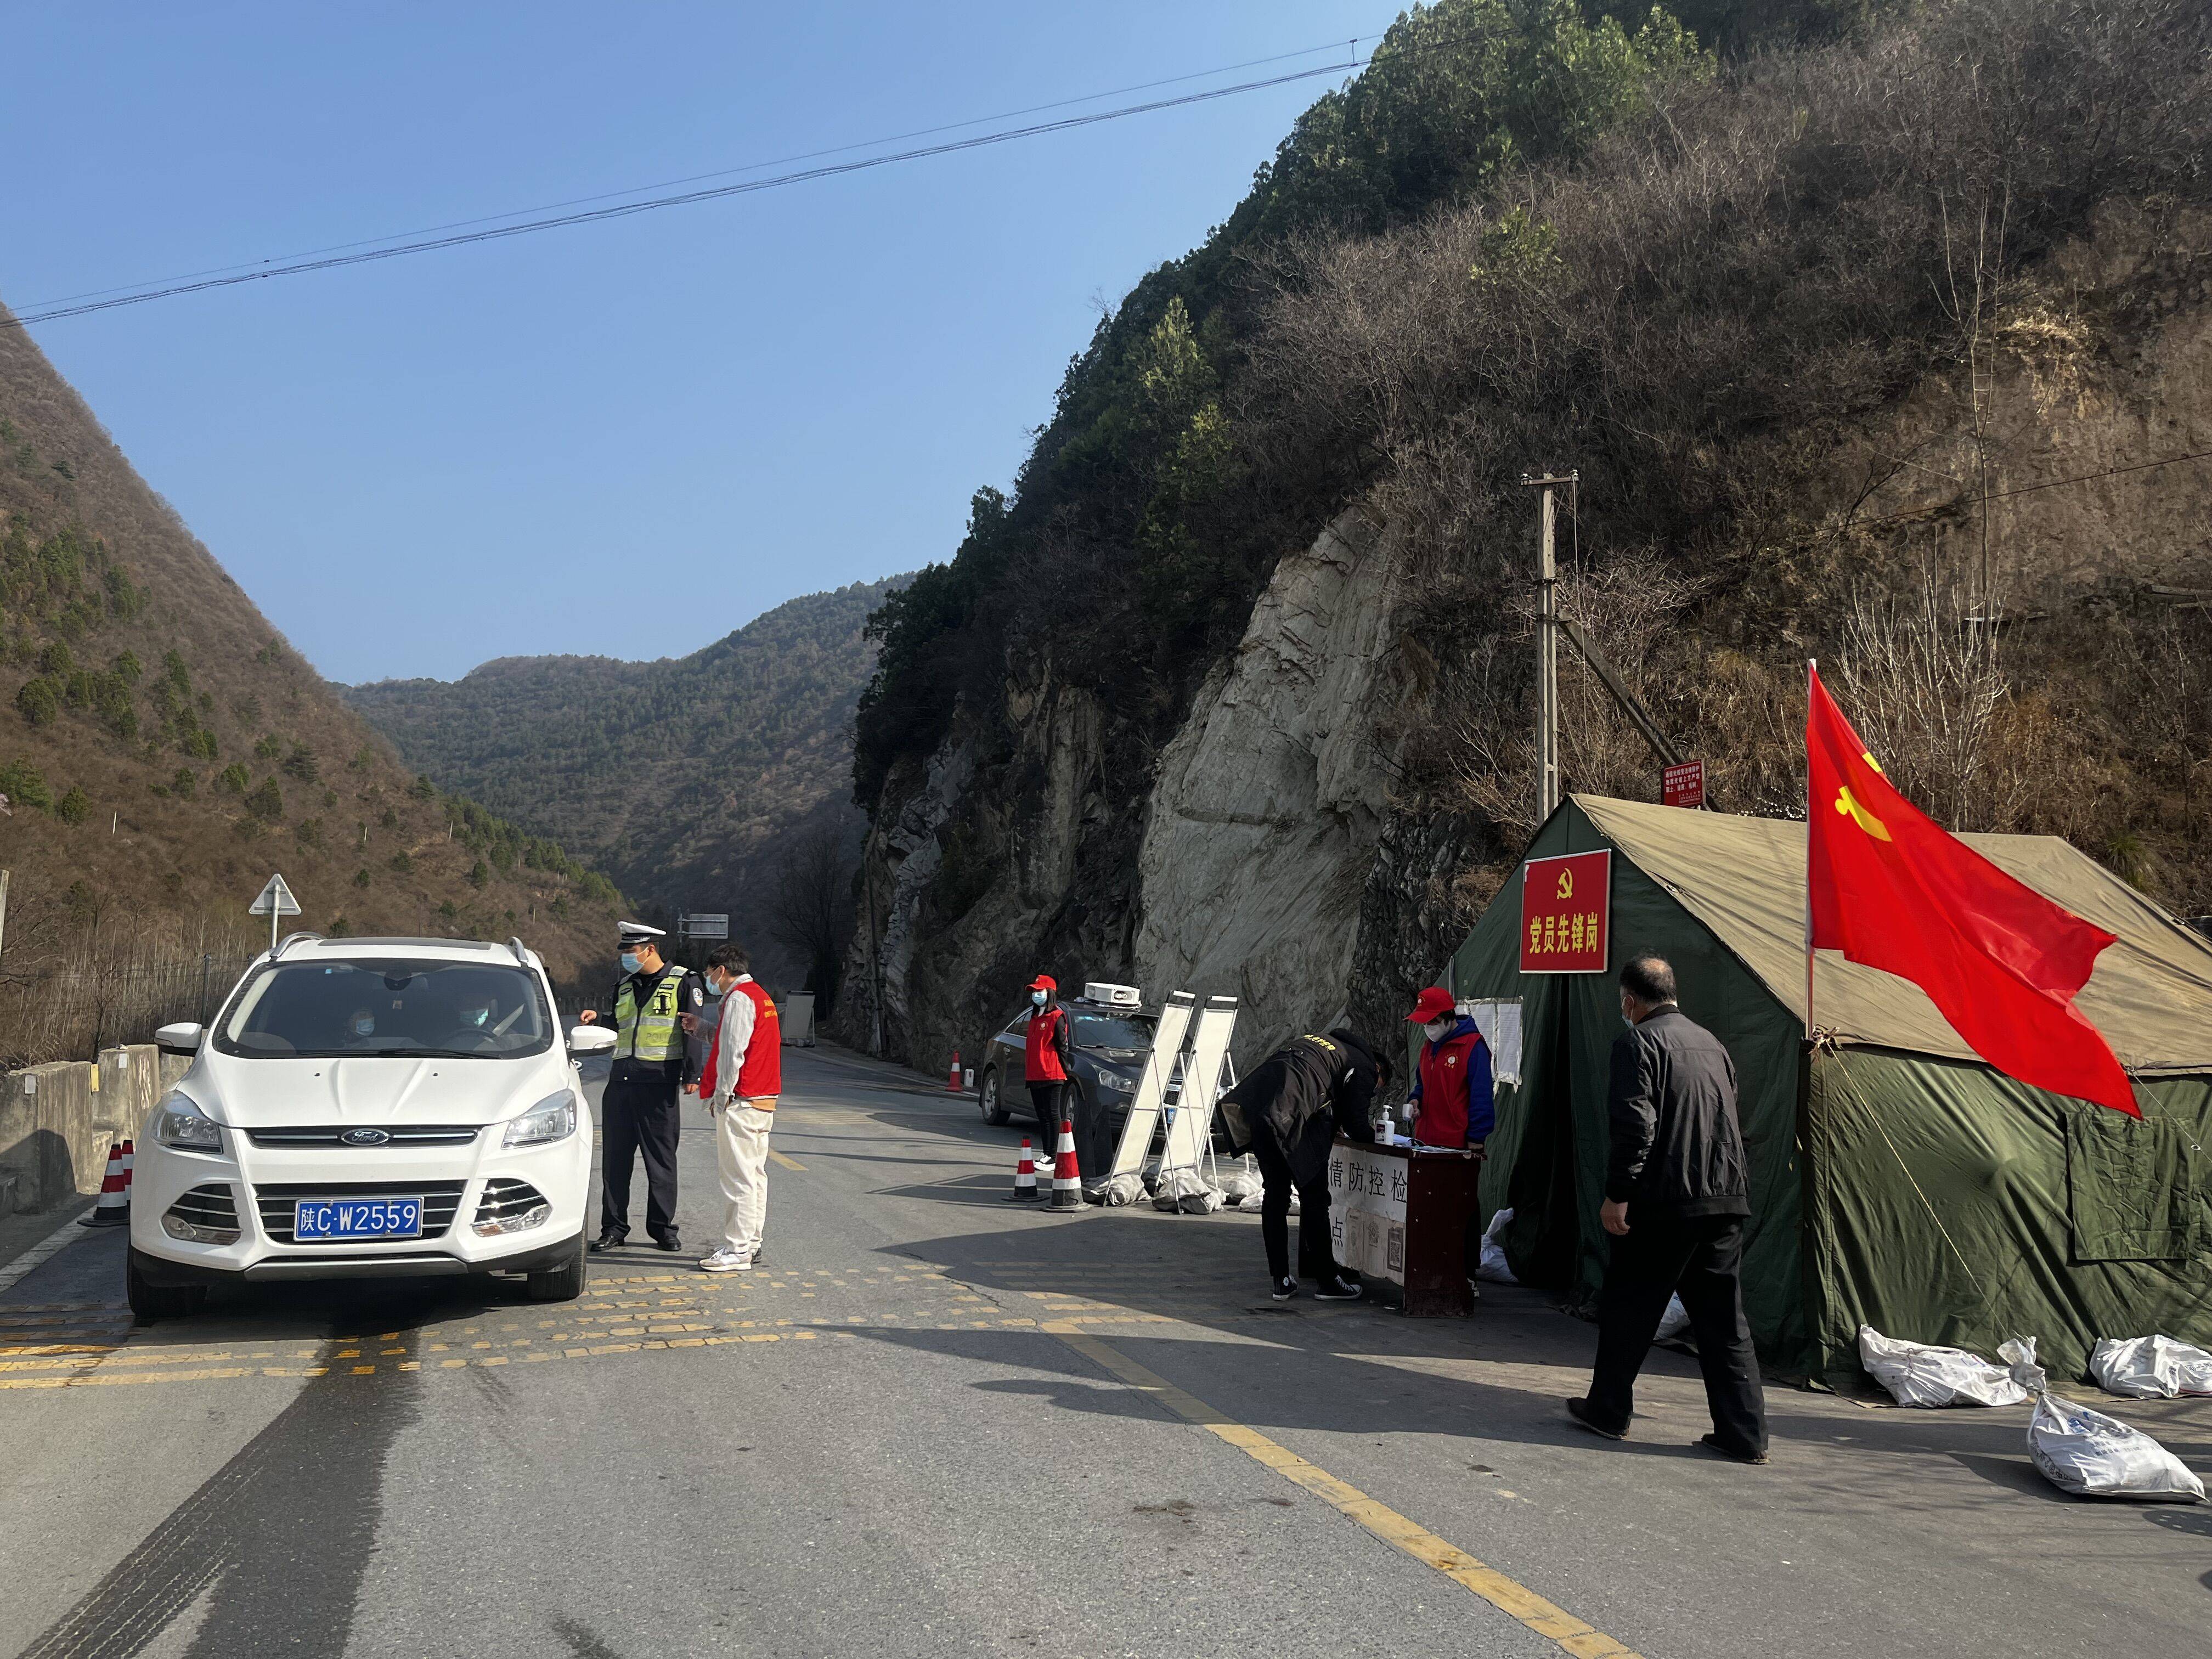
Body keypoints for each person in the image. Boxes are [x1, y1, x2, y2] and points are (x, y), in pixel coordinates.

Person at [1567, 954, 1769, 1465]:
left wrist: (1618, 1194)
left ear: (1630, 1002)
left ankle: (1608, 1411)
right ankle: (1745, 1434)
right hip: (1723, 1197)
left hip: (1665, 1200)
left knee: (1628, 1309)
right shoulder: (1713, 1044)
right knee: (1725, 1322)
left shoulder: (1637, 1043)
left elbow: (1636, 1126)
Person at [1217, 1029, 1386, 1301]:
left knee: (1275, 1195)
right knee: (1315, 1199)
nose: (1373, 1090)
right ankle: (1328, 1282)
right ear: (1378, 1070)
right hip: (1290, 1117)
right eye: (1377, 1087)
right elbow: (1356, 1121)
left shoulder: (1322, 1044)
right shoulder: (1363, 1064)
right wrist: (1377, 1139)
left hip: (1258, 1108)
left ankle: (1281, 1280)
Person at [578, 921, 702, 1253]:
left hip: (658, 1084)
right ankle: (614, 1228)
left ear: (650, 950)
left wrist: (692, 1075)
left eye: (631, 953)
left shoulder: (683, 982)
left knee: (660, 1161)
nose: (626, 959)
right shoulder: (623, 986)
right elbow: (621, 1026)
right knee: (615, 1161)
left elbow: (691, 1029)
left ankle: (663, 1229)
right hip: (620, 1083)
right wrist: (598, 1019)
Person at [693, 942, 781, 1273]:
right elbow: (738, 1039)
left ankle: (737, 1248)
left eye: (708, 973)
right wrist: (701, 1029)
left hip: (742, 1099)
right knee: (755, 1175)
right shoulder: (760, 996)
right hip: (762, 1099)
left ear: (721, 971)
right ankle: (751, 1242)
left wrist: (722, 1097)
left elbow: (733, 1053)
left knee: (738, 1177)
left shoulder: (740, 998)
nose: (708, 980)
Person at [1022, 973, 1075, 1155]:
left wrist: (1065, 1069)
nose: (1036, 994)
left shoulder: (1057, 1016)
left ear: (1050, 993)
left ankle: (1054, 1155)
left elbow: (1063, 1046)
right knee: (1042, 1117)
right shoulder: (1034, 1017)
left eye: (1039, 991)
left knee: (1053, 1115)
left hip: (1052, 1074)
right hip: (1035, 1075)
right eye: (1034, 992)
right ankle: (1047, 1153)